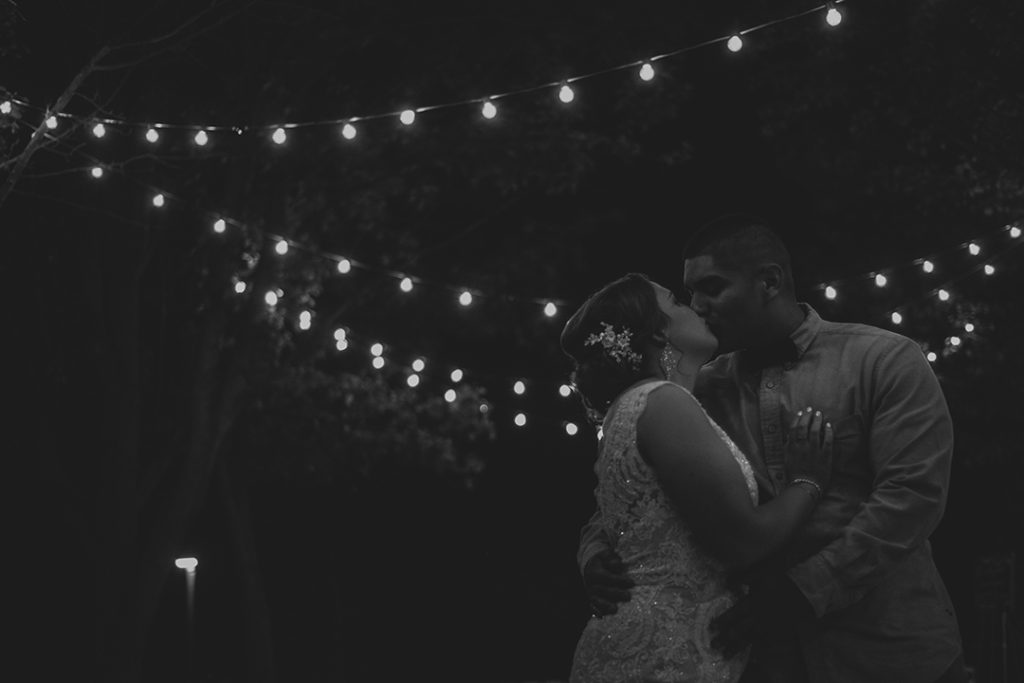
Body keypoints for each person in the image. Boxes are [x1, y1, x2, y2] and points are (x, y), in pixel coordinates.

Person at [578, 214, 968, 682]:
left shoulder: (883, 359)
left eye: (712, 287)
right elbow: (638, 492)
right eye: (690, 293)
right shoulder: (696, 390)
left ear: (769, 281)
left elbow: (913, 496)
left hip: (889, 651)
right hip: (762, 657)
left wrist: (804, 590)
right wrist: (593, 553)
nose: (697, 306)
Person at [561, 271, 833, 682]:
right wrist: (808, 482)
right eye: (677, 301)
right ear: (657, 335)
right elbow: (744, 541)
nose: (697, 306)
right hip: (664, 654)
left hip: (660, 644)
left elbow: (636, 517)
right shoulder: (663, 402)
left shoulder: (639, 404)